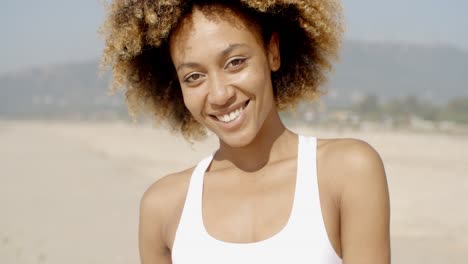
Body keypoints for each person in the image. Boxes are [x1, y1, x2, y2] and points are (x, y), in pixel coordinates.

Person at [100, 0, 390, 263]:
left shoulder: (347, 171)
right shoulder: (162, 207)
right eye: (194, 77)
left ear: (272, 53)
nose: (219, 94)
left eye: (235, 62)